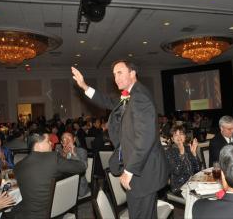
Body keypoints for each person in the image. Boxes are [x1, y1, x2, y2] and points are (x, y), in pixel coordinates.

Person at [72, 60, 168, 219]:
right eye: (114, 74)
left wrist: (130, 171)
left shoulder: (139, 96)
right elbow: (107, 101)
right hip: (137, 167)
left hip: (142, 171)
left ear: (132, 73)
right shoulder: (130, 95)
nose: (116, 78)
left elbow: (145, 138)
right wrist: (84, 86)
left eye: (120, 73)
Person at [5, 132, 86, 219]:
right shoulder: (53, 157)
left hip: (27, 212)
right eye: (48, 141)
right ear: (38, 145)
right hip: (54, 211)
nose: (51, 143)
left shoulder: (18, 166)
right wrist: (72, 154)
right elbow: (81, 167)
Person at [165, 125, 201, 196]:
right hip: (179, 187)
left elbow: (197, 169)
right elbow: (177, 171)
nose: (179, 137)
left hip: (192, 183)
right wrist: (181, 153)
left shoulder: (188, 148)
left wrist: (194, 154)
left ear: (185, 136)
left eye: (181, 134)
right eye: (176, 135)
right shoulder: (169, 152)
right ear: (172, 138)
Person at [56, 132, 90, 197]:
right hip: (63, 184)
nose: (67, 141)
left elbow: (84, 167)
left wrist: (73, 153)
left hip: (79, 185)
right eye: (64, 139)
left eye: (69, 138)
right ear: (62, 142)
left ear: (74, 139)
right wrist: (64, 156)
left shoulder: (81, 151)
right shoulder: (59, 153)